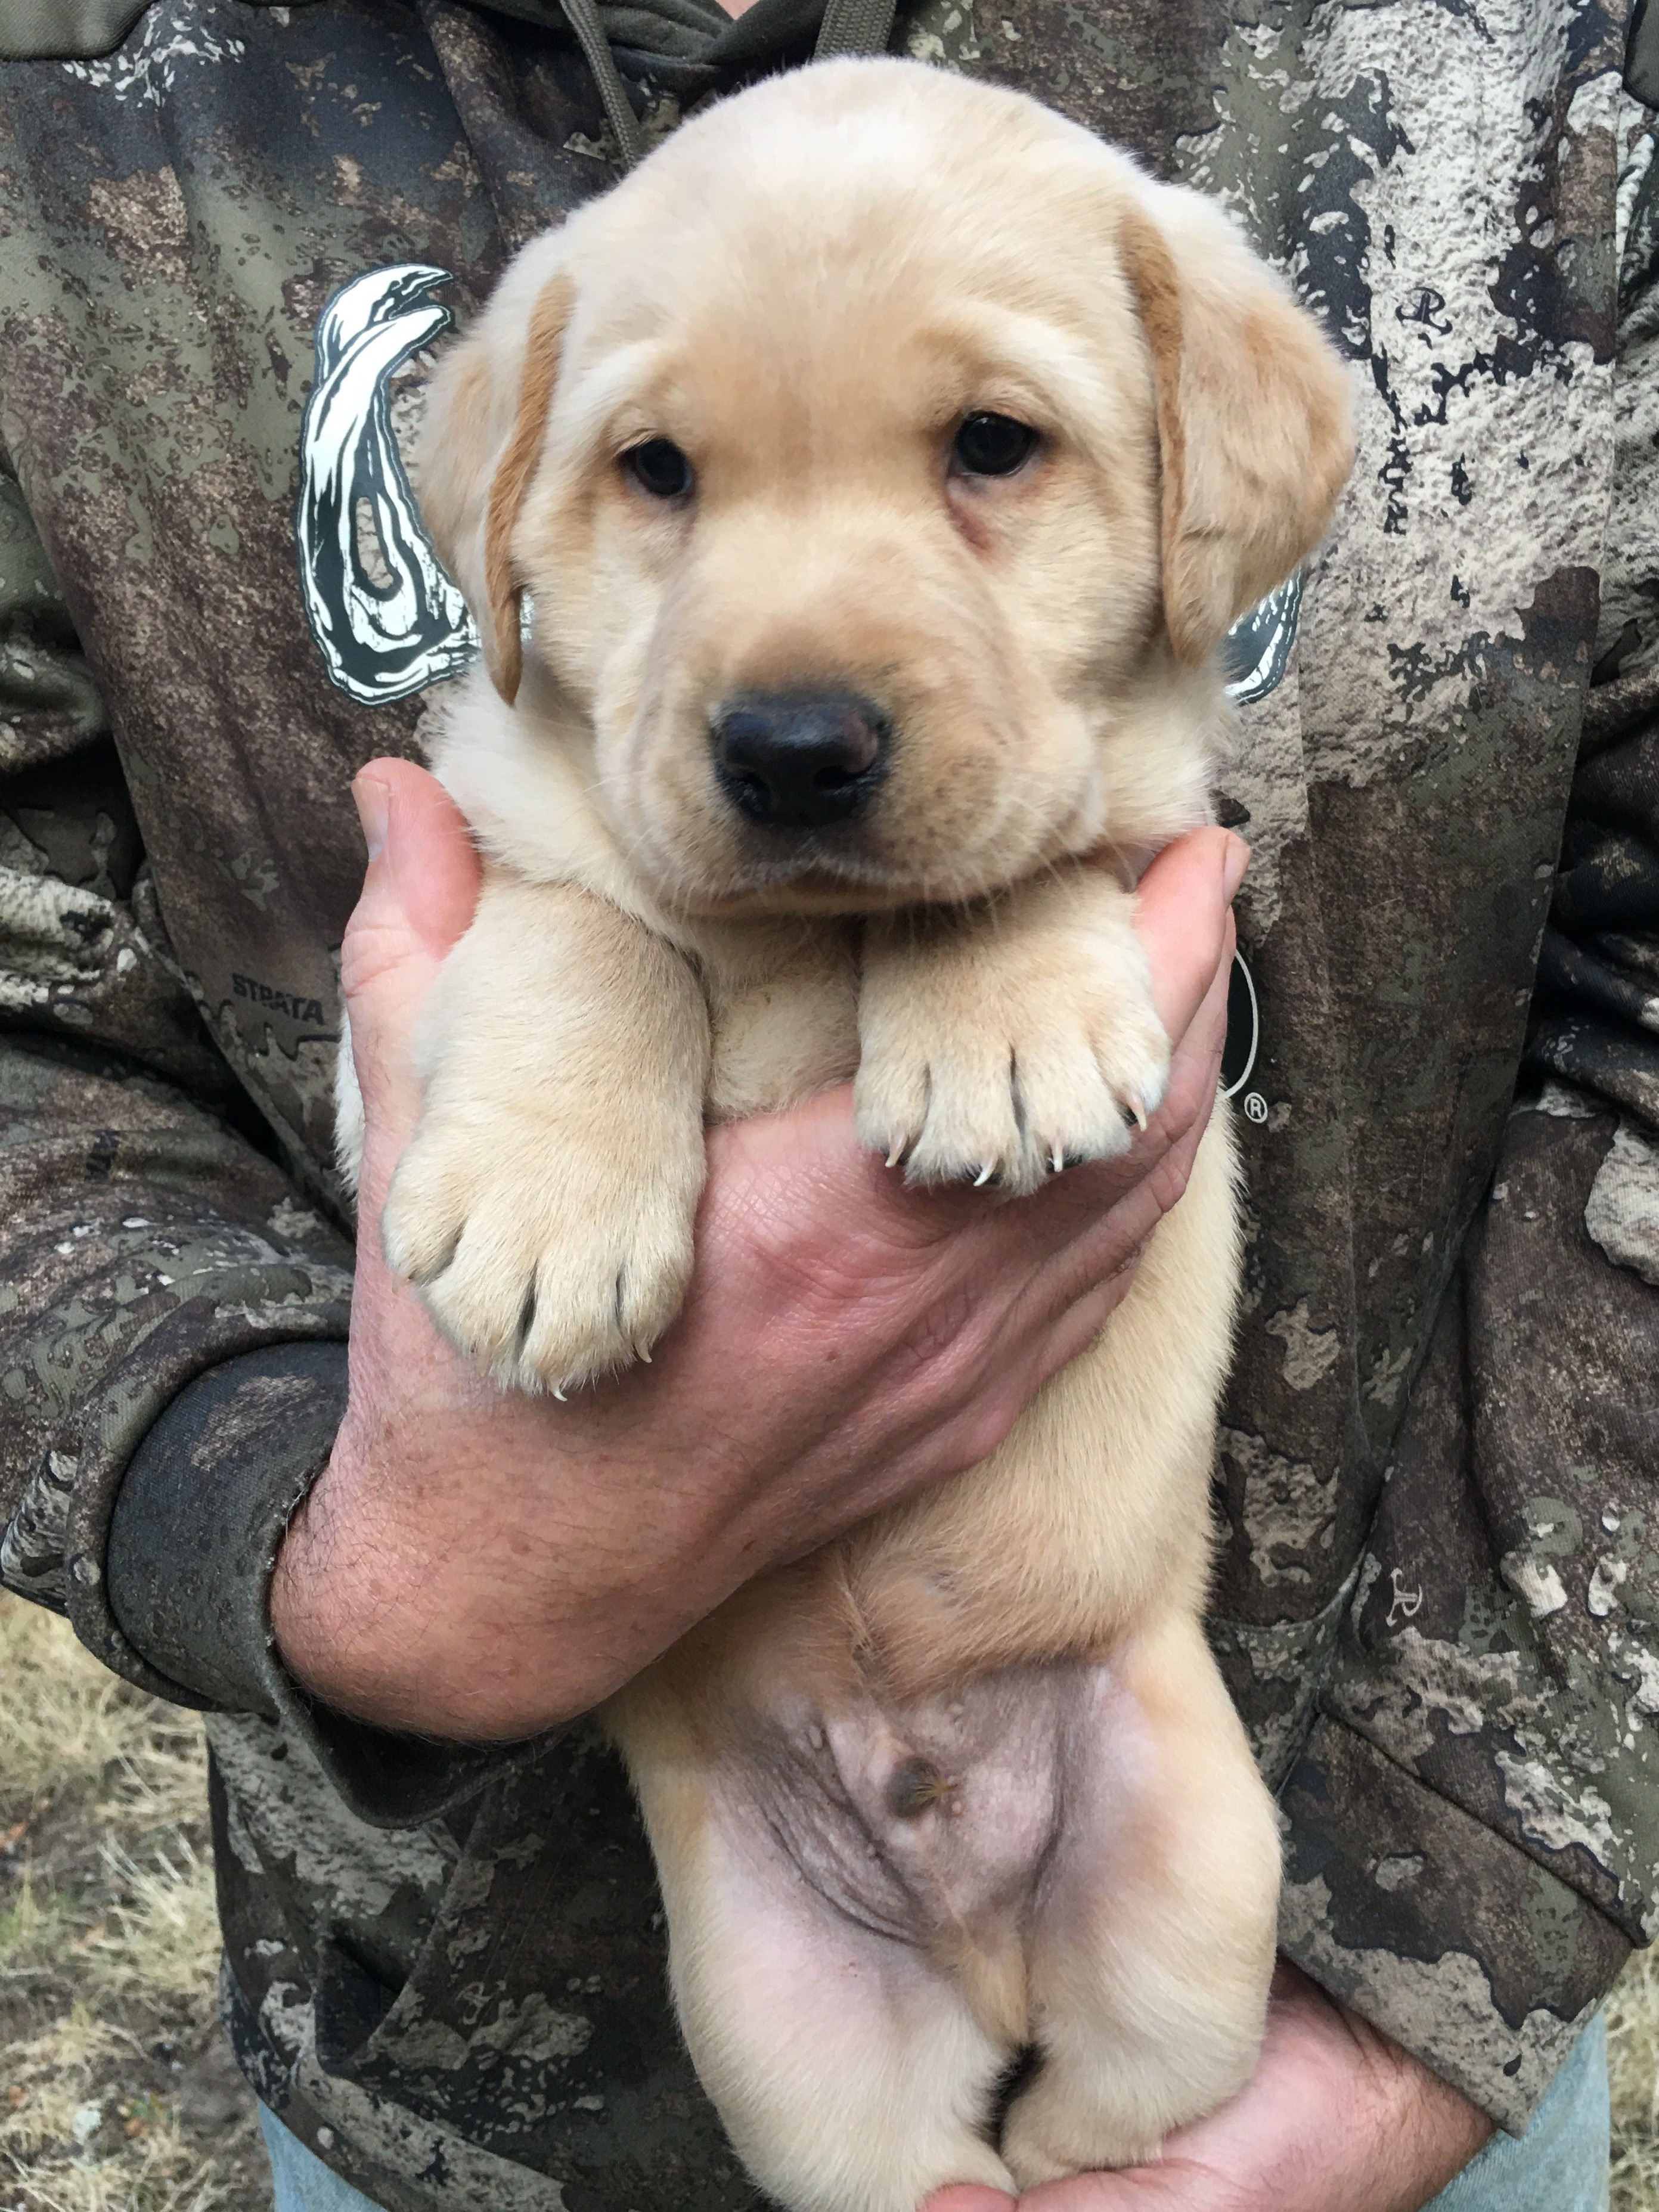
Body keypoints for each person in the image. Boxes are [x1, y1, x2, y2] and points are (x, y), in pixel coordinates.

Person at [0, 0, 1654, 2205]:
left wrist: (1431, 1983)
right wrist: (346, 1551)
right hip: (509, 2049)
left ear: (1206, 485)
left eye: (990, 443)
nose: (790, 683)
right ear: (513, 501)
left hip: (1304, 1941)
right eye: (658, 472)